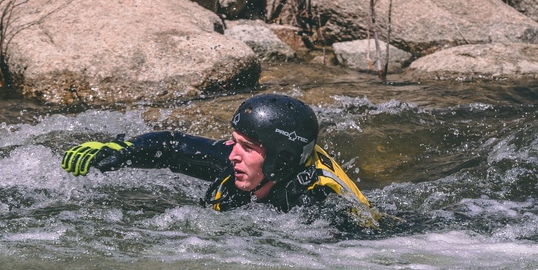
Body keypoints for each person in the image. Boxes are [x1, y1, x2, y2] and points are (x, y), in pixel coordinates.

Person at [61, 93, 378, 227]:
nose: (232, 154)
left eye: (248, 147)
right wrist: (122, 151)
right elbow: (172, 146)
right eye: (234, 142)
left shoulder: (321, 202)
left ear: (281, 161)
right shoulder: (245, 159)